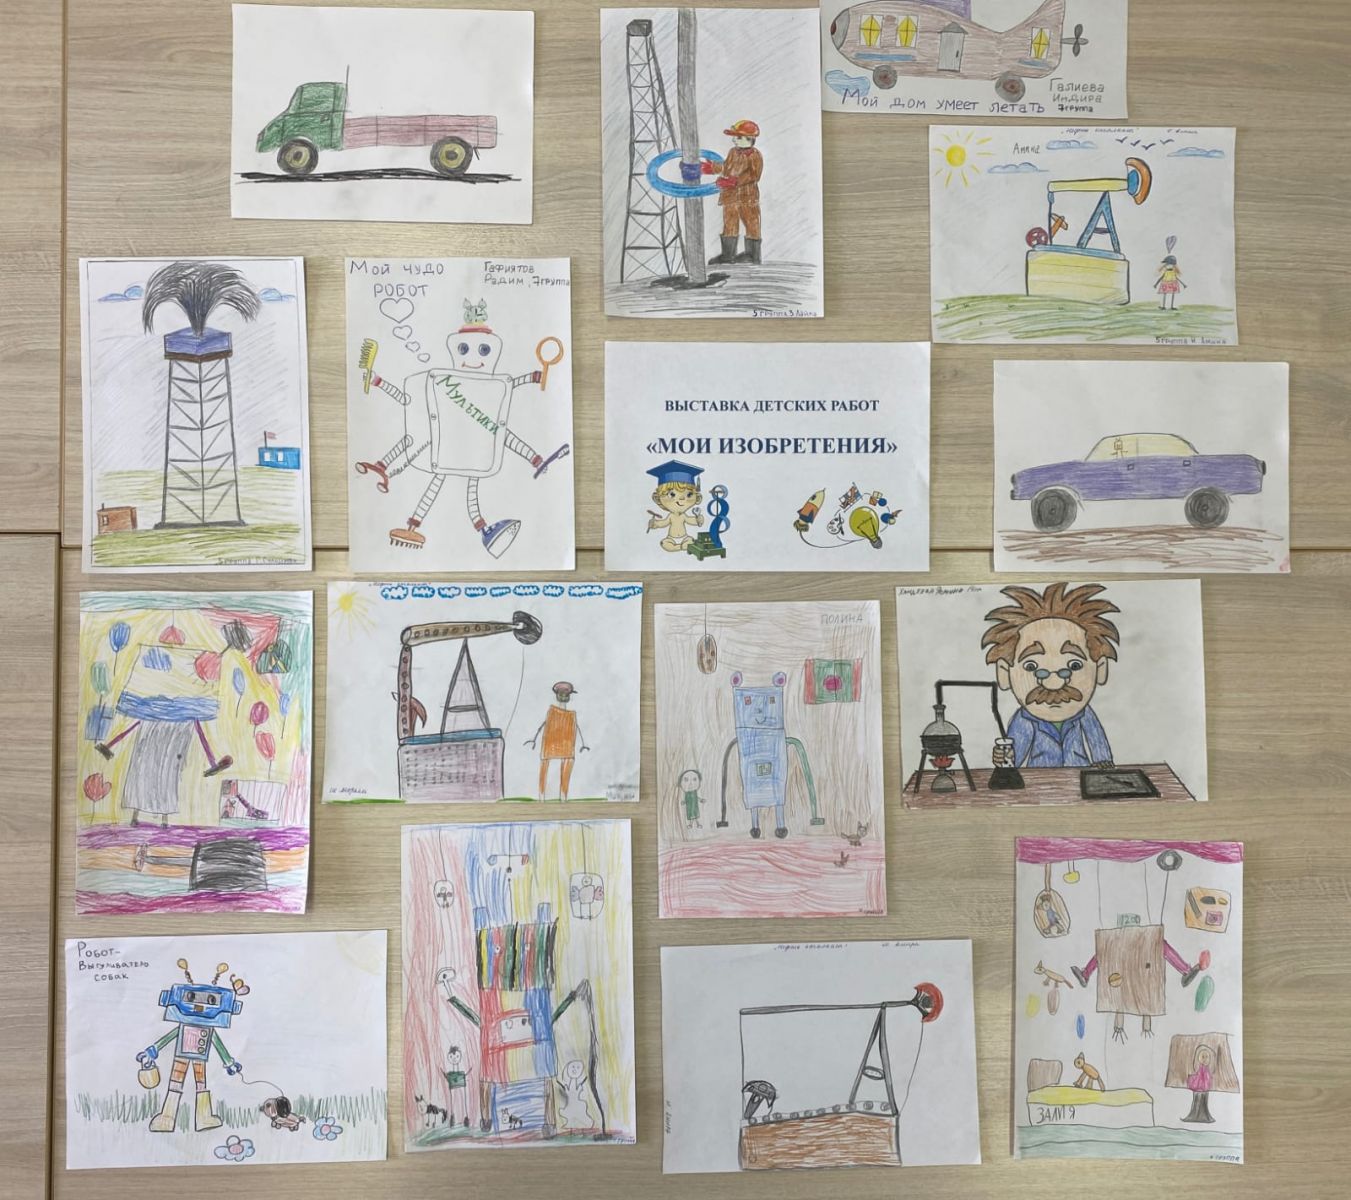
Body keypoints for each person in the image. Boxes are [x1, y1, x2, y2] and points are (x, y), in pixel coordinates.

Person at [982, 583, 1120, 769]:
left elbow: (1097, 741)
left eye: (1074, 665)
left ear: (1101, 669)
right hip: (1040, 777)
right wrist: (1004, 758)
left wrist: (1103, 761)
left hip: (1079, 773)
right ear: (1004, 673)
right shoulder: (1023, 719)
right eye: (1032, 667)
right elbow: (1014, 759)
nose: (1054, 683)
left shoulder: (1085, 713)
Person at [702, 119, 764, 265]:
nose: (734, 140)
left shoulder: (755, 156)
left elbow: (754, 175)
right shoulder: (733, 152)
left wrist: (734, 181)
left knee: (751, 223)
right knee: (729, 223)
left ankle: (752, 255)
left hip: (747, 197)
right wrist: (712, 168)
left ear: (749, 139)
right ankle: (728, 255)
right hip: (730, 196)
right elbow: (726, 167)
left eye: (738, 137)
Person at [525, 681, 589, 801]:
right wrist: (534, 738)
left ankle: (560, 797)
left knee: (563, 763)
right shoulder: (554, 712)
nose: (564, 696)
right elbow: (544, 724)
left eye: (565, 694)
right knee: (546, 764)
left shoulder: (568, 715)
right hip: (553, 742)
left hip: (565, 742)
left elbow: (576, 727)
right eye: (563, 694)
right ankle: (543, 796)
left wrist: (583, 743)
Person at [645, 460, 705, 552]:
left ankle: (683, 545)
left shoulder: (683, 516)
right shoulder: (671, 516)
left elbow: (690, 520)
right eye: (672, 494)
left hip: (684, 537)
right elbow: (664, 523)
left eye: (689, 495)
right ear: (658, 498)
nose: (682, 499)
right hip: (671, 538)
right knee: (665, 543)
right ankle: (679, 547)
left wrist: (698, 519)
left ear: (697, 498)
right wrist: (655, 524)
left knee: (690, 540)